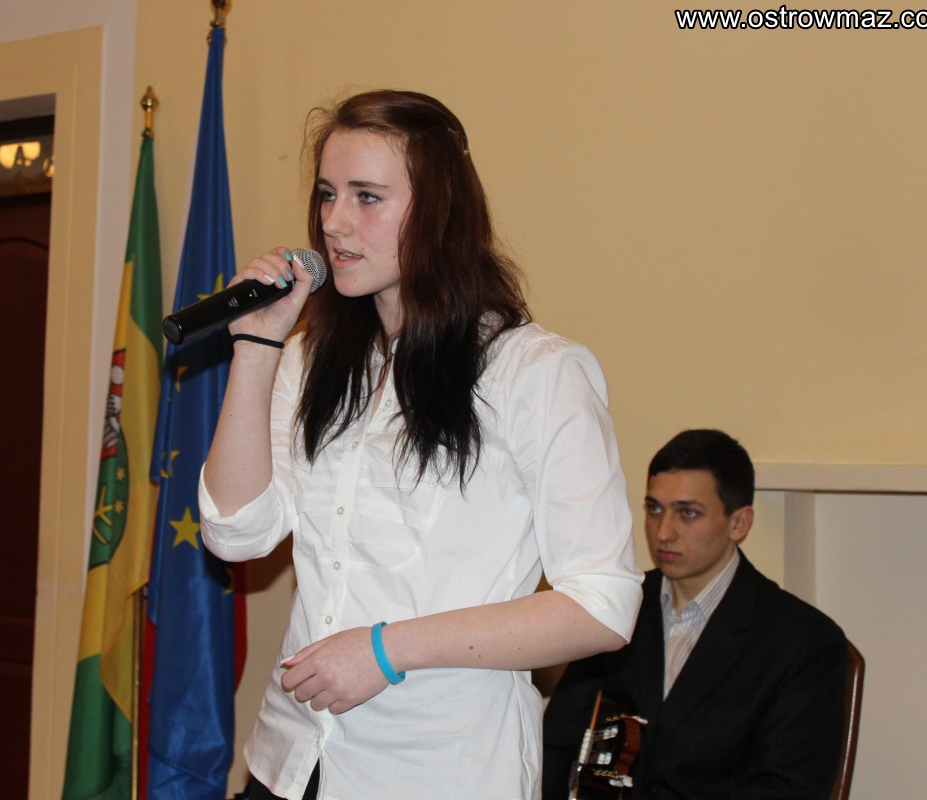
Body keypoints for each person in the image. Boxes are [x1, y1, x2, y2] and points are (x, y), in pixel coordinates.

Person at [198, 89, 643, 800]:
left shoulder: (534, 371)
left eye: (367, 197)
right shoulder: (310, 359)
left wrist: (386, 649)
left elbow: (603, 604)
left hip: (439, 768)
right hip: (292, 760)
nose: (334, 222)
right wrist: (256, 347)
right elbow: (235, 534)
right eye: (327, 194)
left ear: (440, 211)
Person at [542, 428, 848, 799]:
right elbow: (557, 748)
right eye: (654, 509)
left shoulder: (803, 642)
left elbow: (787, 789)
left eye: (688, 513)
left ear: (739, 523)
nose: (663, 532)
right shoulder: (615, 607)